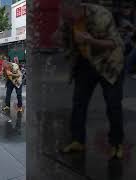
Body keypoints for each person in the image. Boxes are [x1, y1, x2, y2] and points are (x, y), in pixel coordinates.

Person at [53, 0, 125, 159]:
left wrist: (89, 40)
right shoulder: (68, 19)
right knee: (79, 102)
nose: (65, 19)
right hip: (86, 62)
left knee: (113, 104)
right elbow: (63, 40)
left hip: (109, 63)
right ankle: (78, 141)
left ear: (78, 8)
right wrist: (58, 37)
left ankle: (117, 144)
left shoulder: (100, 15)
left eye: (67, 15)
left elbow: (114, 43)